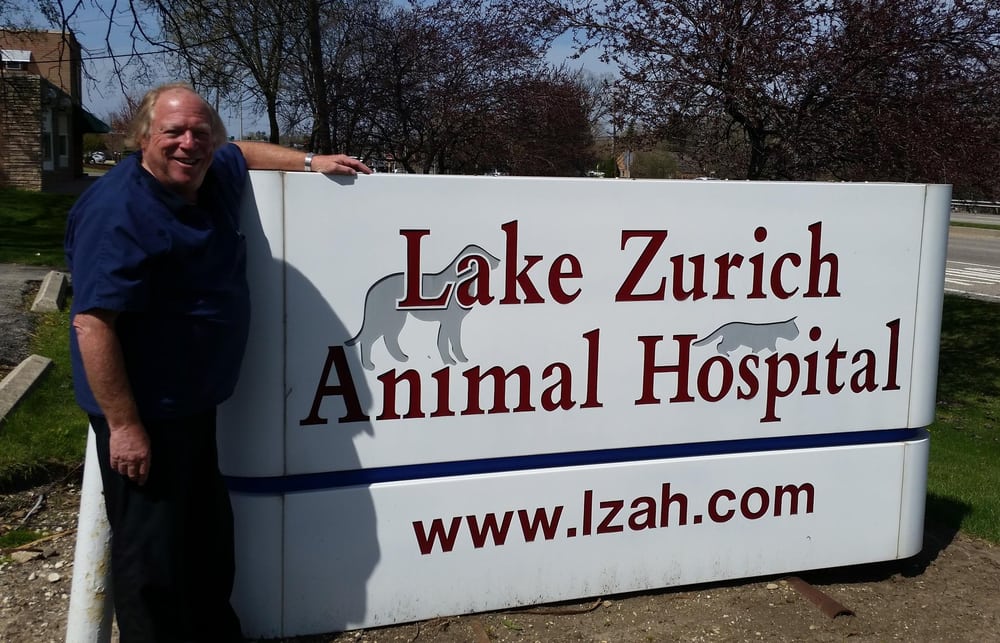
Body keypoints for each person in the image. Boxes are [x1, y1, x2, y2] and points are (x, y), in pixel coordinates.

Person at [65, 82, 371, 642]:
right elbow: (93, 325)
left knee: (205, 539)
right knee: (152, 557)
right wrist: (125, 426)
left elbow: (242, 152)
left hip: (194, 406)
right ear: (143, 138)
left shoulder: (208, 175)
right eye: (173, 132)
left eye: (199, 132)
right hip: (146, 412)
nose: (188, 143)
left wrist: (311, 162)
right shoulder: (118, 211)